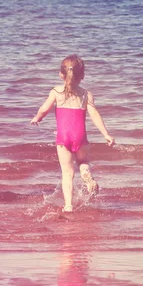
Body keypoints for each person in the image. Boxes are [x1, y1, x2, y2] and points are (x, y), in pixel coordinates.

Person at [30, 54, 114, 215]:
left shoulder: (56, 92)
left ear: (61, 74)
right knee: (83, 161)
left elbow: (44, 109)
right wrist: (106, 134)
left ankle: (68, 205)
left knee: (67, 173)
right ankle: (86, 173)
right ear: (82, 76)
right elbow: (94, 114)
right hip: (80, 136)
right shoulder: (86, 94)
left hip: (63, 137)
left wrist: (37, 118)